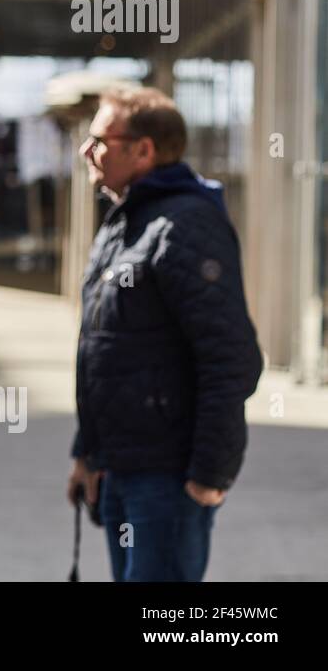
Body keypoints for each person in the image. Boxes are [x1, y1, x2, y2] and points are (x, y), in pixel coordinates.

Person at [65, 86, 263, 582]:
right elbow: (108, 352)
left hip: (169, 478)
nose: (87, 152)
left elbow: (231, 356)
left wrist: (208, 476)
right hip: (119, 468)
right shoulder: (125, 222)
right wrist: (86, 452)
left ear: (144, 149)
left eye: (99, 141)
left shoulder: (185, 225)